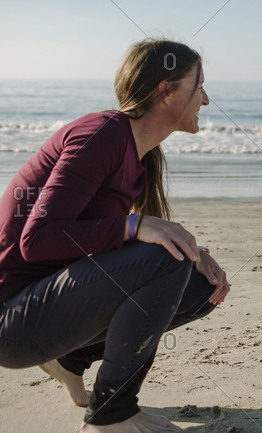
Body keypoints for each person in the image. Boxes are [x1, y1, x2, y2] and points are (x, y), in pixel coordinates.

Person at [0, 39, 231, 433]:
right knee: (165, 260)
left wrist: (196, 251)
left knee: (198, 286)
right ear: (166, 90)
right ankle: (112, 415)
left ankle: (69, 363)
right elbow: (37, 239)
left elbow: (103, 243)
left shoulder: (137, 156)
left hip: (49, 307)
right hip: (13, 320)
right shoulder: (102, 133)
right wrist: (138, 225)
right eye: (199, 86)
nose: (206, 100)